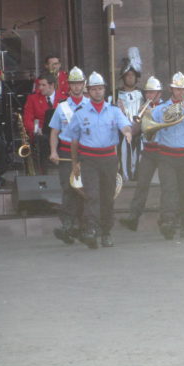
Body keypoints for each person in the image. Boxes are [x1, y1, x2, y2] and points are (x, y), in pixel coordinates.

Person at [68, 72, 133, 249]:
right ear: (88, 91)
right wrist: (74, 163)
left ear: (105, 90)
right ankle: (90, 230)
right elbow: (74, 139)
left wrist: (127, 131)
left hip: (109, 159)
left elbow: (124, 124)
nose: (98, 92)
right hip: (88, 159)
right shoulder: (80, 114)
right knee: (92, 195)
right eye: (94, 89)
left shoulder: (113, 110)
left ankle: (106, 232)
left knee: (107, 197)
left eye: (100, 88)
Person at [151, 72, 184, 239]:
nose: (180, 92)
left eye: (182, 89)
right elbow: (150, 129)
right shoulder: (162, 109)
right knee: (169, 190)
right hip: (166, 155)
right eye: (176, 89)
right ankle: (167, 221)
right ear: (171, 89)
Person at [118, 76, 164, 231]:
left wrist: (152, 114)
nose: (149, 96)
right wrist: (135, 118)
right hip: (149, 151)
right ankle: (133, 217)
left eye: (153, 93)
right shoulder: (143, 108)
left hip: (164, 150)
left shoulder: (165, 107)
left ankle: (166, 218)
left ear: (159, 93)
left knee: (167, 185)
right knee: (142, 185)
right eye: (147, 93)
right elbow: (134, 131)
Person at [48, 66, 87, 244]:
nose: (77, 87)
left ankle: (82, 226)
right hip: (65, 152)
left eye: (79, 83)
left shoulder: (89, 105)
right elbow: (54, 133)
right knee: (68, 189)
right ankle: (67, 226)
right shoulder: (62, 107)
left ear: (84, 84)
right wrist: (54, 151)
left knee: (84, 190)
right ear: (69, 85)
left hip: (85, 152)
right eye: (74, 83)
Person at [23, 71, 61, 174]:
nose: (40, 88)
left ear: (52, 85)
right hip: (41, 134)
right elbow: (27, 119)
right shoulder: (33, 98)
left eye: (43, 85)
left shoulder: (63, 98)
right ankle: (43, 174)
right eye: (39, 85)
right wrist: (35, 130)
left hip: (60, 133)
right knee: (41, 140)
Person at [117, 48, 144, 181]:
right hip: (122, 133)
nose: (130, 77)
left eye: (133, 75)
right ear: (123, 77)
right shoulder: (116, 94)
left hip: (139, 132)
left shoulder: (143, 94)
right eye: (128, 75)